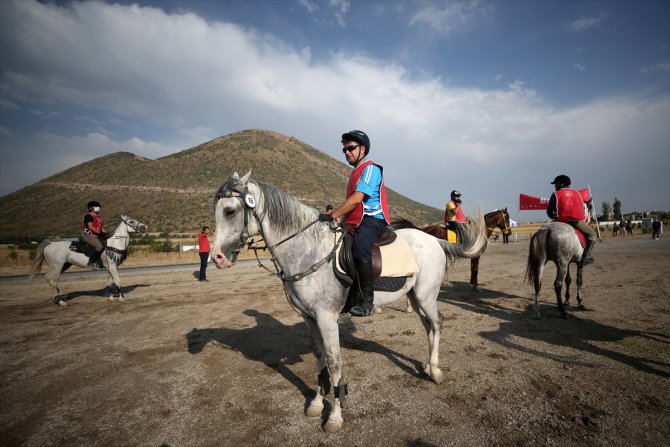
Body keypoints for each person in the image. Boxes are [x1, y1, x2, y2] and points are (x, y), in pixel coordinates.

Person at [318, 130, 390, 317]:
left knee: (360, 248)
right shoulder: (355, 172)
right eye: (344, 150)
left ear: (362, 149)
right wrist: (337, 218)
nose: (347, 152)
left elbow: (357, 199)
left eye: (351, 148)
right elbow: (351, 206)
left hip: (373, 219)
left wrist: (333, 214)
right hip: (356, 220)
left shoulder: (370, 169)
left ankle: (367, 301)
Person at [546, 175, 596, 265]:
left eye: (556, 184)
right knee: (592, 234)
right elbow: (582, 209)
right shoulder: (578, 194)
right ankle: (585, 257)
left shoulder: (555, 194)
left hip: (559, 221)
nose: (555, 186)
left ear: (562, 184)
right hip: (575, 221)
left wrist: (553, 216)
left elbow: (549, 211)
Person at [82, 200, 108, 269]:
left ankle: (103, 262)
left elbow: (101, 228)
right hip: (88, 235)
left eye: (98, 206)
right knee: (99, 246)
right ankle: (90, 262)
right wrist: (99, 233)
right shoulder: (89, 216)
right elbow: (90, 227)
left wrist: (107, 234)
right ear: (91, 208)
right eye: (96, 206)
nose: (98, 207)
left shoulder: (98, 217)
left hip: (96, 235)